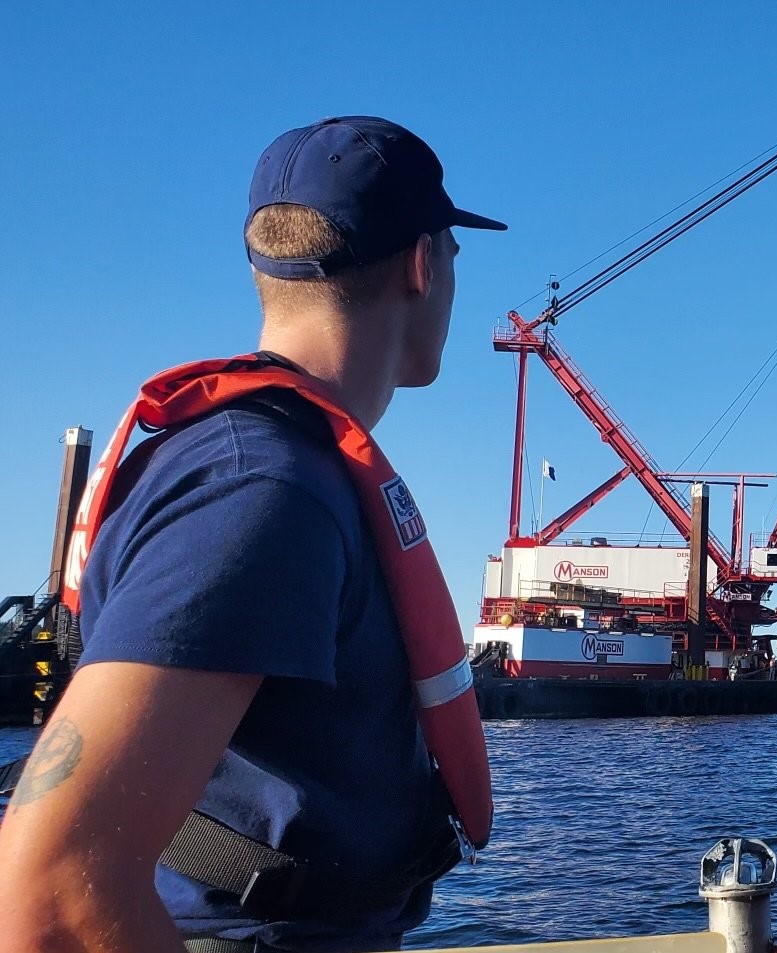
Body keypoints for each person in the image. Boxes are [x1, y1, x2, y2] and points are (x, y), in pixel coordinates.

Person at [0, 116, 505, 953]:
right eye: (456, 252)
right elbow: (50, 888)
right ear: (423, 264)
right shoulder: (263, 487)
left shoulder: (267, 468)